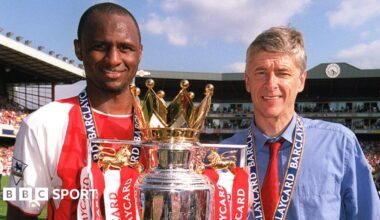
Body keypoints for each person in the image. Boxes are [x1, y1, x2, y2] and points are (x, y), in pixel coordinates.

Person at [222, 26, 380, 219]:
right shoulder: (222, 155)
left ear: (301, 80)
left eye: (283, 73)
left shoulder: (340, 145)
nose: (271, 84)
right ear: (247, 81)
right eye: (261, 72)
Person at [7, 2, 143, 219]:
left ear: (139, 53)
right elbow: (20, 214)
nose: (114, 59)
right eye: (100, 47)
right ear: (79, 49)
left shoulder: (162, 130)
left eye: (125, 48)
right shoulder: (41, 125)